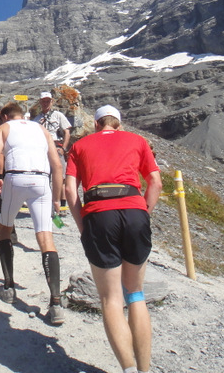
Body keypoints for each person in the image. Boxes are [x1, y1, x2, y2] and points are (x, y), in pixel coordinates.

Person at [64, 105, 162, 373]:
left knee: (110, 299)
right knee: (136, 295)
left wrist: (83, 225)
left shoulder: (80, 146)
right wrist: (144, 212)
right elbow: (155, 182)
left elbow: (70, 189)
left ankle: (128, 369)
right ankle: (144, 369)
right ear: (118, 123)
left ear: (96, 124)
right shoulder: (138, 140)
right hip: (134, 210)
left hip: (99, 213)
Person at [0, 102, 65, 325]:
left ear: (7, 116)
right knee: (46, 237)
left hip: (15, 178)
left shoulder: (4, 128)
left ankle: (9, 287)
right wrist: (57, 199)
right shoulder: (42, 129)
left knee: (5, 229)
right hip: (41, 180)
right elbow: (57, 165)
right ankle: (56, 302)